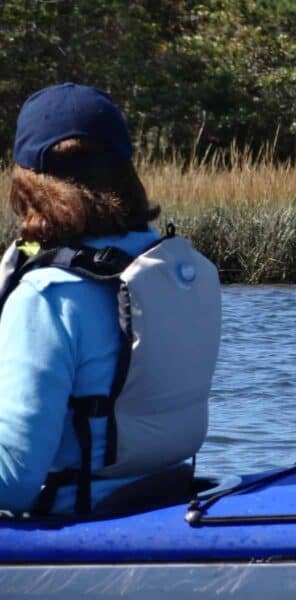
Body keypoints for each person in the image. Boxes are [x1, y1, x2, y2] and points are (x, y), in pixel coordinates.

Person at [0, 83, 221, 515]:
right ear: (125, 171)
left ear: (26, 183)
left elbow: (12, 482)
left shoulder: (47, 299)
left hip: (77, 517)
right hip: (165, 494)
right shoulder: (183, 271)